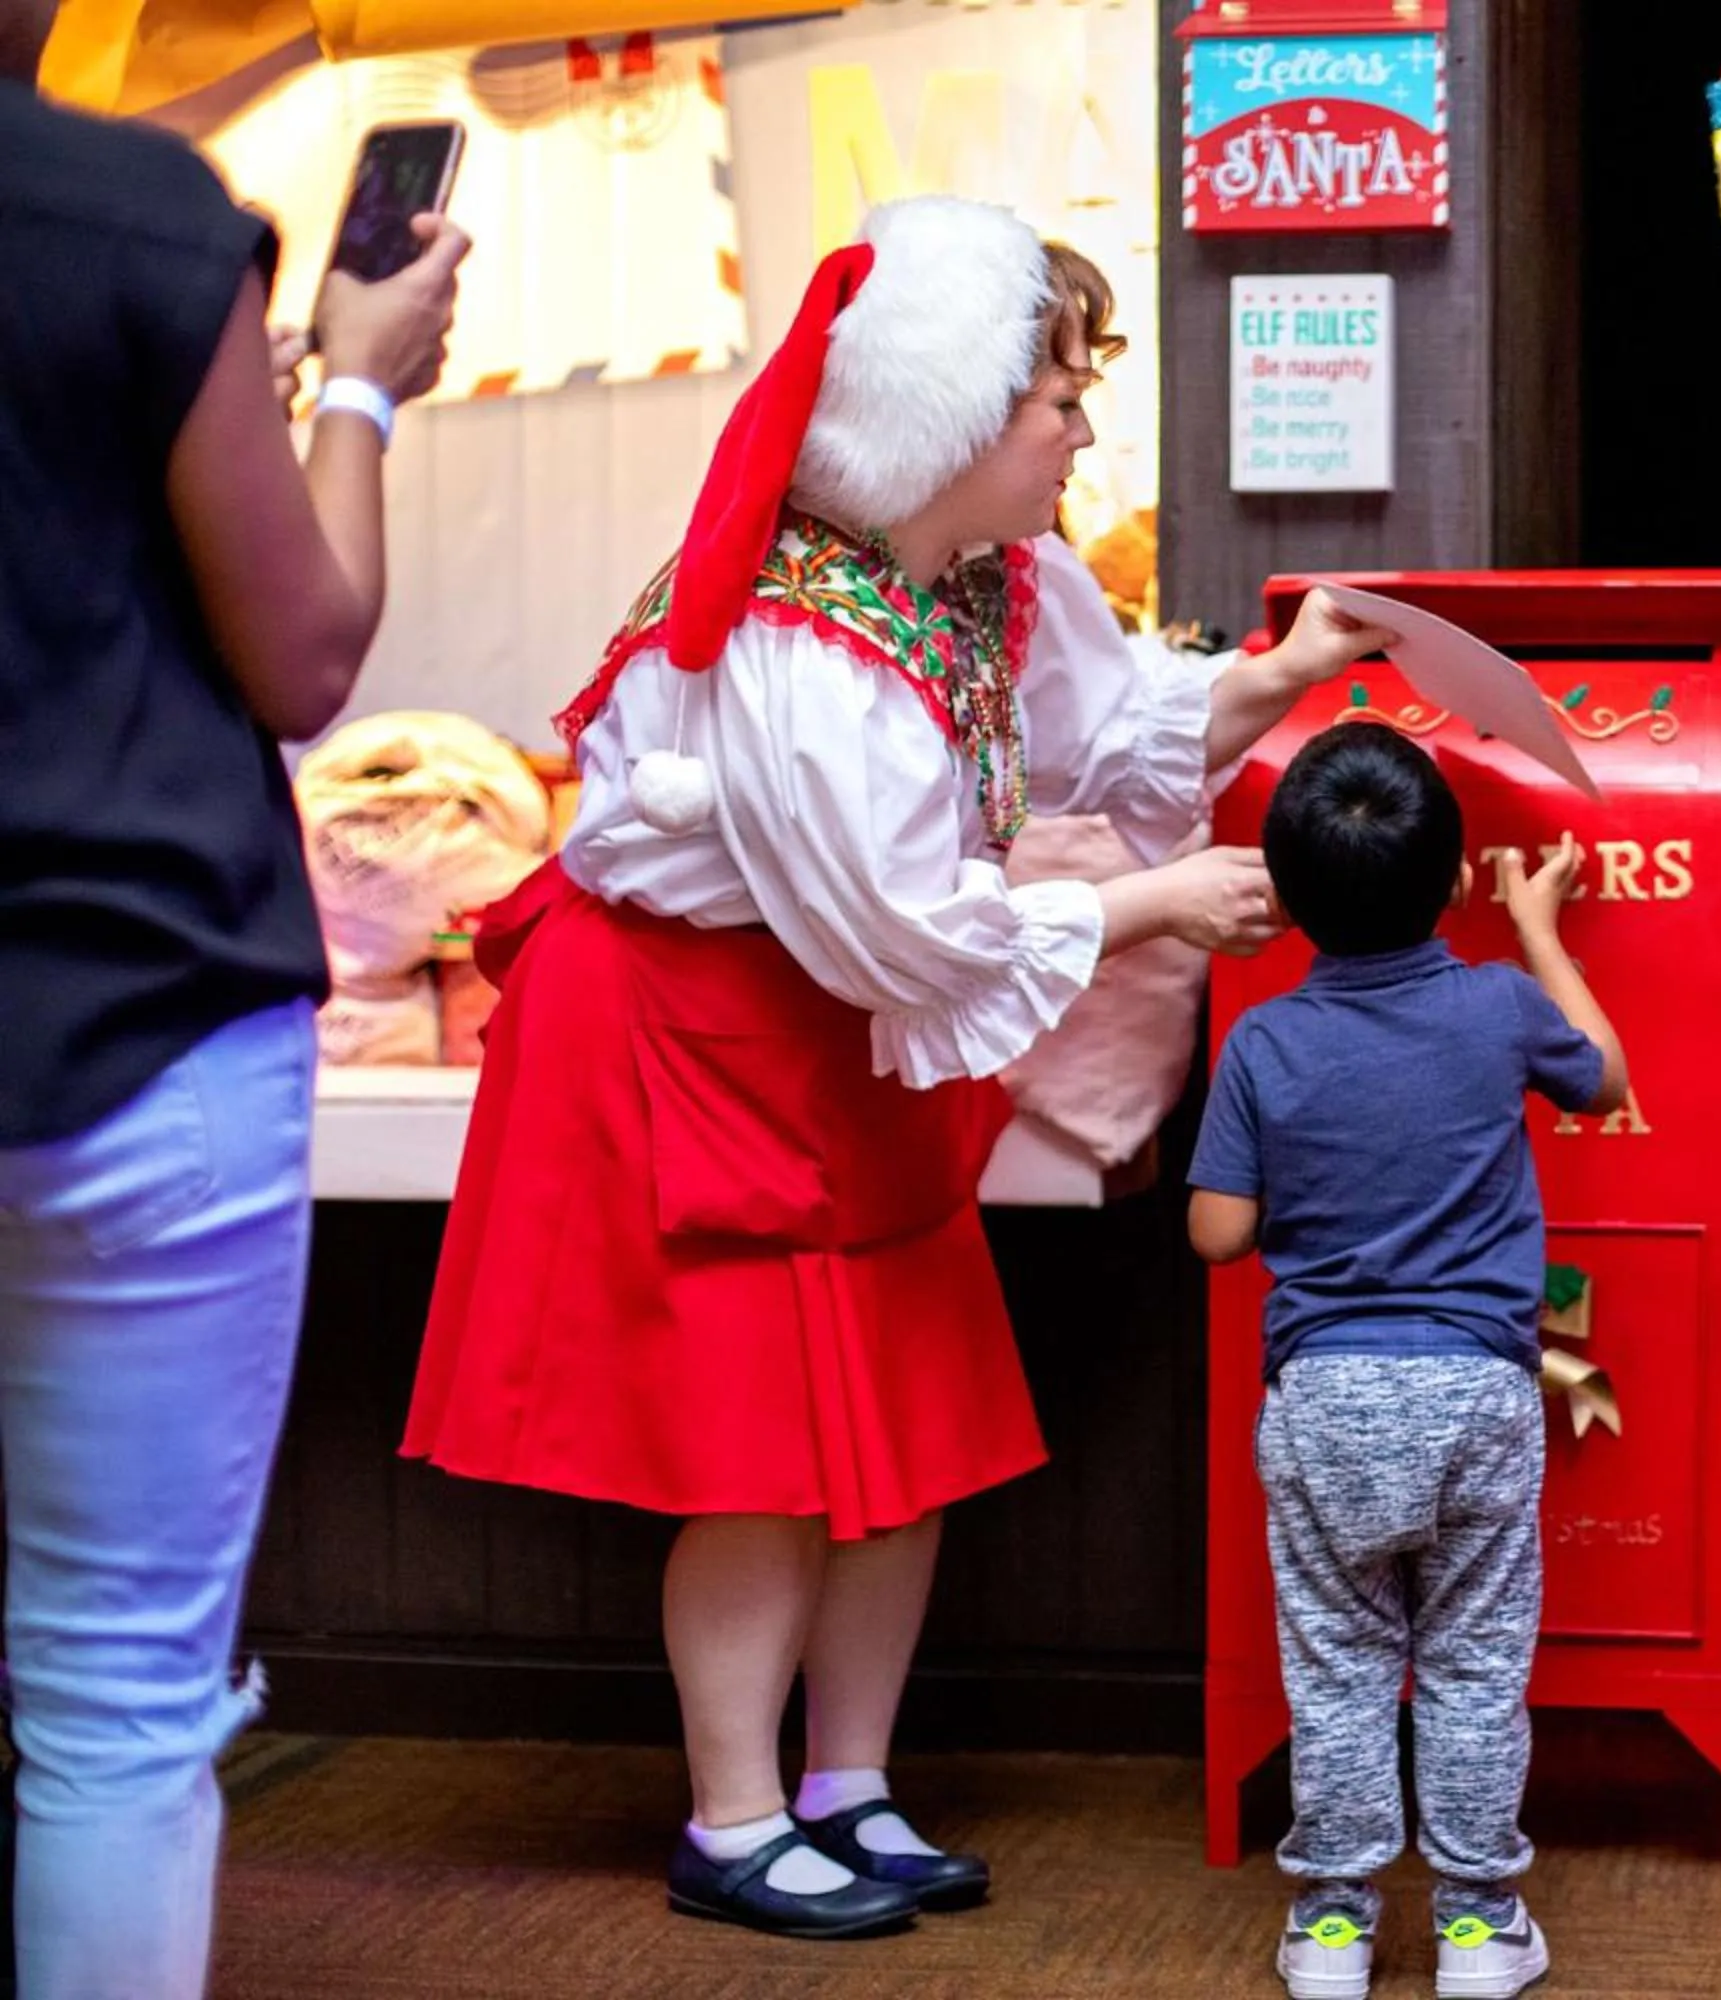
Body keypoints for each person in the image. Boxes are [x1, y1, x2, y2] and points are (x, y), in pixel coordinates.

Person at [396, 195, 1397, 1941]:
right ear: (946, 418)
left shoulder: (989, 579)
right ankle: (730, 1816)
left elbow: (1115, 735)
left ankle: (845, 1786)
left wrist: (1282, 675)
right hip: (700, 1042)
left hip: (834, 1041)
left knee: (905, 1444)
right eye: (1060, 397)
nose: (1082, 430)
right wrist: (1153, 906)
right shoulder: (797, 644)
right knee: (764, 1463)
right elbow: (905, 933)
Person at [0, 5, 466, 1993]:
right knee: (115, 1703)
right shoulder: (130, 219)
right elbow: (303, 653)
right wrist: (355, 388)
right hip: (140, 1016)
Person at [1187, 726, 1629, 2000]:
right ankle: (1477, 1929)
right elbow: (1604, 1079)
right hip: (1479, 1388)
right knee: (1475, 1666)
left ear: (1285, 897)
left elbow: (1218, 1233)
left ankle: (1333, 1927)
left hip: (1326, 1395)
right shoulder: (1496, 1005)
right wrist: (1538, 931)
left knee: (1337, 1665)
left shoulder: (1263, 1040)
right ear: (1449, 881)